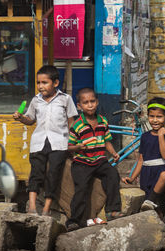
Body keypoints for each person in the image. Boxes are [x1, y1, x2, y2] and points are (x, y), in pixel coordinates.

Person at [13, 65, 78, 216]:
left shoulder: (65, 99)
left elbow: (71, 122)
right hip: (38, 142)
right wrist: (21, 118)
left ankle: (47, 209)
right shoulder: (36, 101)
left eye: (44, 83)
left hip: (59, 143)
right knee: (36, 173)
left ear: (55, 83)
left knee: (53, 175)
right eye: (38, 83)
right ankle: (32, 208)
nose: (40, 86)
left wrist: (72, 142)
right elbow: (30, 120)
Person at [66, 87, 124, 231]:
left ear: (97, 102)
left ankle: (112, 210)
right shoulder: (77, 125)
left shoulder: (103, 121)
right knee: (82, 188)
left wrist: (113, 153)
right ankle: (74, 220)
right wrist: (79, 147)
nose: (90, 105)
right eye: (86, 102)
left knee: (112, 175)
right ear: (79, 106)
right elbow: (69, 146)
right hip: (82, 163)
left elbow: (107, 141)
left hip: (100, 160)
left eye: (92, 101)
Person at [122, 97, 165, 213]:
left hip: (162, 169)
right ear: (148, 116)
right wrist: (132, 177)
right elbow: (141, 160)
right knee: (150, 210)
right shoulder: (145, 136)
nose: (155, 120)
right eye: (152, 116)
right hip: (147, 173)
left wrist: (161, 136)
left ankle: (151, 201)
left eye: (159, 116)